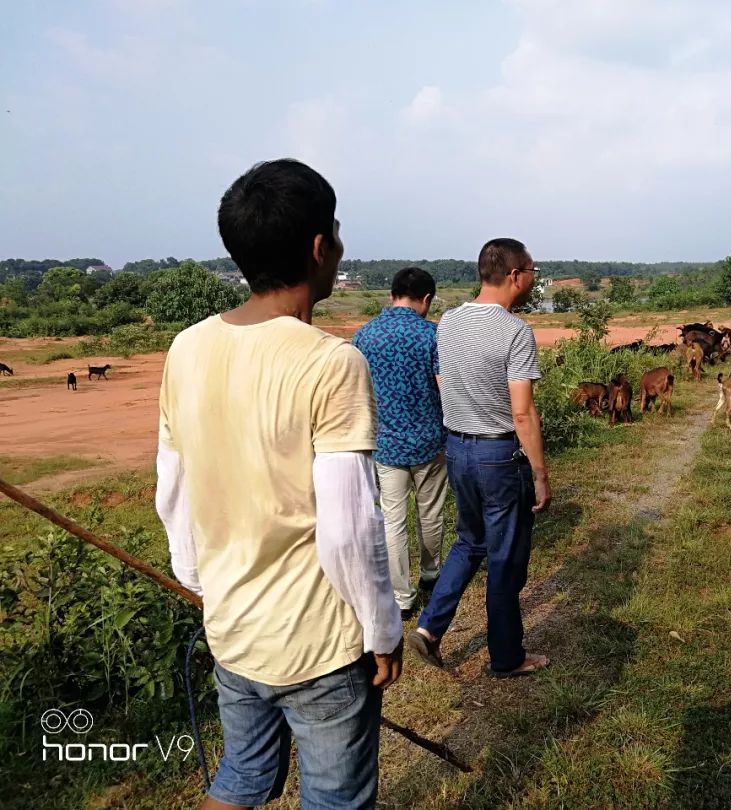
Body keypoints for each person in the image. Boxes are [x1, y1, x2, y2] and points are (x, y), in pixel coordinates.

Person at [155, 158, 402, 810]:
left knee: (241, 781)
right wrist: (383, 631)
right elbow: (351, 530)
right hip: (318, 646)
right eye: (337, 234)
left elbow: (172, 492)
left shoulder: (186, 349)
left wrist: (204, 587)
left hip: (232, 630)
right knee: (334, 801)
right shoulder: (330, 363)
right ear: (320, 248)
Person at [407, 238, 552, 678]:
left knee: (470, 541)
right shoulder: (513, 331)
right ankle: (507, 656)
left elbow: (440, 378)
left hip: (458, 450)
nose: (533, 279)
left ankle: (430, 627)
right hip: (499, 454)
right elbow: (522, 411)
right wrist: (541, 474)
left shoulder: (447, 322)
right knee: (505, 558)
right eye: (532, 271)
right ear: (514, 275)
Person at [352, 267, 446, 620]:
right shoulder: (431, 336)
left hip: (386, 444)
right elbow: (443, 388)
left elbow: (357, 393)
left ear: (392, 295)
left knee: (393, 520)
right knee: (430, 513)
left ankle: (402, 598)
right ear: (425, 299)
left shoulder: (364, 337)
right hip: (428, 440)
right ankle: (431, 574)